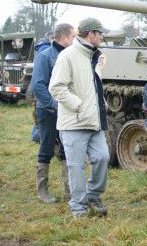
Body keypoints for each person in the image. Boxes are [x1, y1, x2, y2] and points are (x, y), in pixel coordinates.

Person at [49, 18, 110, 218]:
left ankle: (92, 195)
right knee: (76, 167)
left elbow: (93, 87)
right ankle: (79, 208)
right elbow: (56, 87)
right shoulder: (67, 56)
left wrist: (101, 105)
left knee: (102, 157)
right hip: (74, 122)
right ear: (90, 34)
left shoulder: (94, 56)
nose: (102, 36)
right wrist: (78, 105)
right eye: (100, 33)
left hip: (94, 121)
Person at [31, 24, 76, 203]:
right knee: (46, 147)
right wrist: (53, 104)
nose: (74, 40)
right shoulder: (45, 56)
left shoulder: (70, 56)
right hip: (48, 110)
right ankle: (42, 191)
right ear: (63, 38)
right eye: (72, 37)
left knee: (67, 147)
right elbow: (38, 85)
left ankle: (69, 191)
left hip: (65, 110)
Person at [30, 30, 55, 143]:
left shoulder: (42, 48)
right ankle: (37, 136)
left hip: (40, 88)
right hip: (43, 89)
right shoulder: (46, 51)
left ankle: (37, 135)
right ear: (52, 39)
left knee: (39, 113)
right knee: (42, 114)